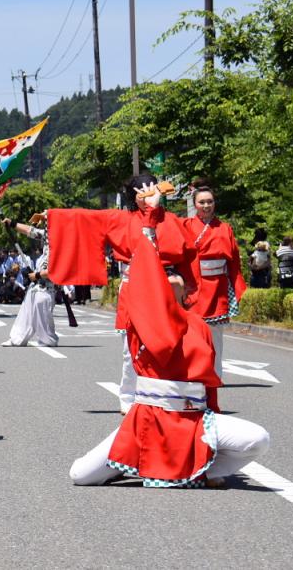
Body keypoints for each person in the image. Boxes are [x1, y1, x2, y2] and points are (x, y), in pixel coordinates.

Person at [68, 185, 270, 487]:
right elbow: (145, 272)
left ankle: (204, 469)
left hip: (191, 422)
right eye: (162, 274)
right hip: (146, 422)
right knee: (80, 475)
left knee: (258, 439)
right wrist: (149, 214)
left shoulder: (199, 326)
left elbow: (210, 385)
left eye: (174, 273)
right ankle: (134, 462)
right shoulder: (144, 319)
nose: (169, 277)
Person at [45, 173, 197, 415]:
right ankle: (128, 396)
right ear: (133, 196)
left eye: (151, 189)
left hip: (166, 287)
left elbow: (187, 256)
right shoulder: (121, 219)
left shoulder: (171, 220)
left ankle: (166, 392)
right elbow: (85, 218)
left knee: (172, 342)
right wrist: (54, 217)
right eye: (142, 192)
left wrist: (188, 287)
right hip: (135, 285)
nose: (147, 195)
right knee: (132, 346)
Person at [183, 185, 246, 382]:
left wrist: (237, 286)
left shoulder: (224, 228)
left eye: (209, 201)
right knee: (193, 333)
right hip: (195, 286)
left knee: (216, 336)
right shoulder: (186, 226)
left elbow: (234, 260)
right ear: (195, 204)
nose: (206, 205)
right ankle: (194, 374)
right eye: (202, 202)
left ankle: (215, 376)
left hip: (218, 286)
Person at [1, 218, 59, 347]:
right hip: (36, 284)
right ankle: (17, 339)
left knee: (42, 309)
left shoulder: (62, 243)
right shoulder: (47, 236)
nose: (43, 224)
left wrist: (37, 274)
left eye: (46, 221)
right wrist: (13, 223)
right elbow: (29, 230)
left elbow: (56, 269)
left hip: (47, 286)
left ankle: (48, 339)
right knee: (25, 312)